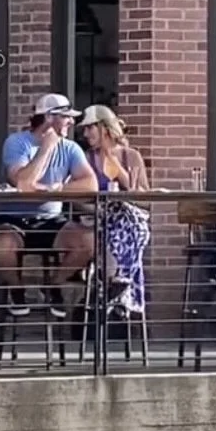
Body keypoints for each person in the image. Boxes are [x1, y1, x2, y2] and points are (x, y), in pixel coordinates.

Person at [0, 93, 99, 318]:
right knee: (2, 247)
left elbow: (90, 184)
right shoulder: (16, 142)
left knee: (89, 242)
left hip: (50, 219)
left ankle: (54, 284)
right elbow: (23, 182)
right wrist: (46, 148)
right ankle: (17, 289)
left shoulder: (70, 148)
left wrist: (56, 190)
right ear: (50, 118)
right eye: (66, 117)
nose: (72, 122)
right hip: (13, 220)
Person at [78, 104, 151, 314]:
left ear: (104, 128)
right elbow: (76, 200)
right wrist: (97, 209)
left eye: (89, 128)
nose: (85, 134)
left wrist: (120, 173)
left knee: (131, 221)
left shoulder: (131, 156)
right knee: (128, 223)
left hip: (128, 220)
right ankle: (122, 286)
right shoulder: (85, 158)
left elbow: (145, 200)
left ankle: (118, 283)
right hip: (98, 218)